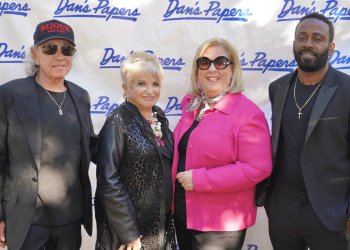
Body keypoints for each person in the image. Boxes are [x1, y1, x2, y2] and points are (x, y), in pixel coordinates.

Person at [0, 19, 97, 250]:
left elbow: (93, 147)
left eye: (67, 49)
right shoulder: (10, 94)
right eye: (50, 48)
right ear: (35, 54)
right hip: (27, 220)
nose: (60, 55)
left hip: (71, 218)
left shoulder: (81, 96)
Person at [256, 12, 350, 250]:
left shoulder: (347, 89)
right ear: (295, 43)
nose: (308, 43)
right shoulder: (277, 88)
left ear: (330, 48)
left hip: (331, 210)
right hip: (282, 207)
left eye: (317, 38)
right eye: (302, 37)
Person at [172, 37, 272, 250]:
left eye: (220, 62)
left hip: (219, 225)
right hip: (184, 213)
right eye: (204, 62)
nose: (212, 69)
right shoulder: (192, 105)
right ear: (197, 71)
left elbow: (258, 167)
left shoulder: (248, 114)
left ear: (232, 69)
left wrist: (201, 179)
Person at [94, 51, 175, 250]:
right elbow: (109, 180)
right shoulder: (117, 122)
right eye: (141, 84)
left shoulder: (159, 116)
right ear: (126, 88)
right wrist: (129, 233)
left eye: (155, 84)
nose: (150, 90)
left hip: (159, 225)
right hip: (128, 232)